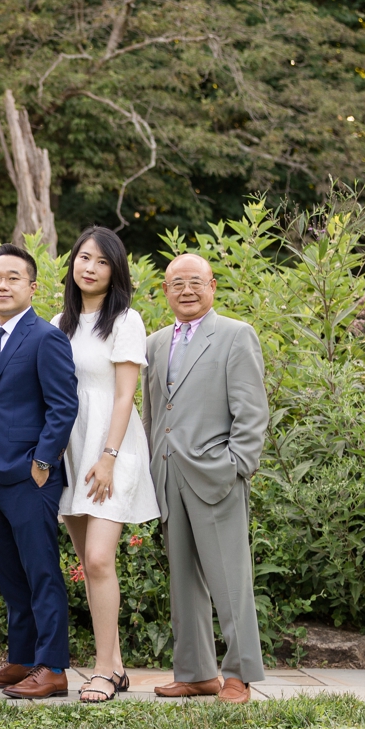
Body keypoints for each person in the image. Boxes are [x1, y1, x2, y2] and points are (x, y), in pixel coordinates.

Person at [143, 253, 270, 704]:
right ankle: (196, 672)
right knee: (183, 580)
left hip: (216, 474)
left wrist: (237, 465)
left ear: (212, 285)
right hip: (169, 473)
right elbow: (153, 412)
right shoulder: (156, 343)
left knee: (229, 581)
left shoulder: (236, 335)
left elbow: (252, 412)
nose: (187, 291)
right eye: (177, 283)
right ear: (165, 291)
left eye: (195, 282)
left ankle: (239, 674)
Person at [49, 227, 159, 704]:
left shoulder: (125, 320)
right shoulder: (61, 321)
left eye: (100, 261)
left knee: (98, 558)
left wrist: (109, 457)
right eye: (82, 258)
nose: (88, 267)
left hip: (111, 448)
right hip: (70, 449)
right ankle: (113, 666)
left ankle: (101, 669)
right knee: (86, 563)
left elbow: (124, 395)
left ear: (115, 271)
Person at [0, 244, 79, 699]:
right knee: (10, 574)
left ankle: (52, 667)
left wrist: (42, 463)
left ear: (32, 287)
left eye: (13, 277)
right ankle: (20, 660)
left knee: (41, 572)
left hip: (30, 476)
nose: (2, 284)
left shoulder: (45, 337)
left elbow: (63, 405)